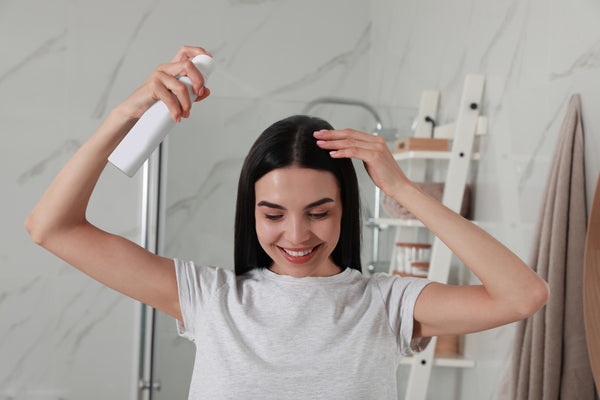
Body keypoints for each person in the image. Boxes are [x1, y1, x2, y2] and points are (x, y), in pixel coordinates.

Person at [25, 46, 549, 399]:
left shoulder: (386, 305)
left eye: (319, 213)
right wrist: (126, 113)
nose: (296, 236)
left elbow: (522, 295)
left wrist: (404, 189)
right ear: (249, 213)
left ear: (345, 210)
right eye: (272, 214)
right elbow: (51, 227)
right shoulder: (210, 299)